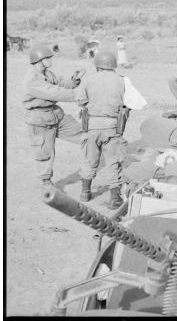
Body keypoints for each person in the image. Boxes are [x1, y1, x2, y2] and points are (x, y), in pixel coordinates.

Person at [22, 45, 84, 187]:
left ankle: (95, 164)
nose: (51, 60)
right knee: (44, 153)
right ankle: (46, 183)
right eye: (48, 58)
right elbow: (55, 92)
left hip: (55, 114)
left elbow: (60, 84)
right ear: (40, 60)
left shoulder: (48, 73)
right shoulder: (32, 79)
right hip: (39, 120)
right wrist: (82, 95)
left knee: (85, 135)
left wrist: (74, 80)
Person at [77, 50, 129, 209]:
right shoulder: (122, 81)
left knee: (89, 160)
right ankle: (114, 200)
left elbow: (80, 101)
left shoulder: (87, 80)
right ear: (113, 65)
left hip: (91, 127)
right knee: (113, 162)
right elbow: (130, 103)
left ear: (97, 65)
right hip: (113, 128)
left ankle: (85, 192)